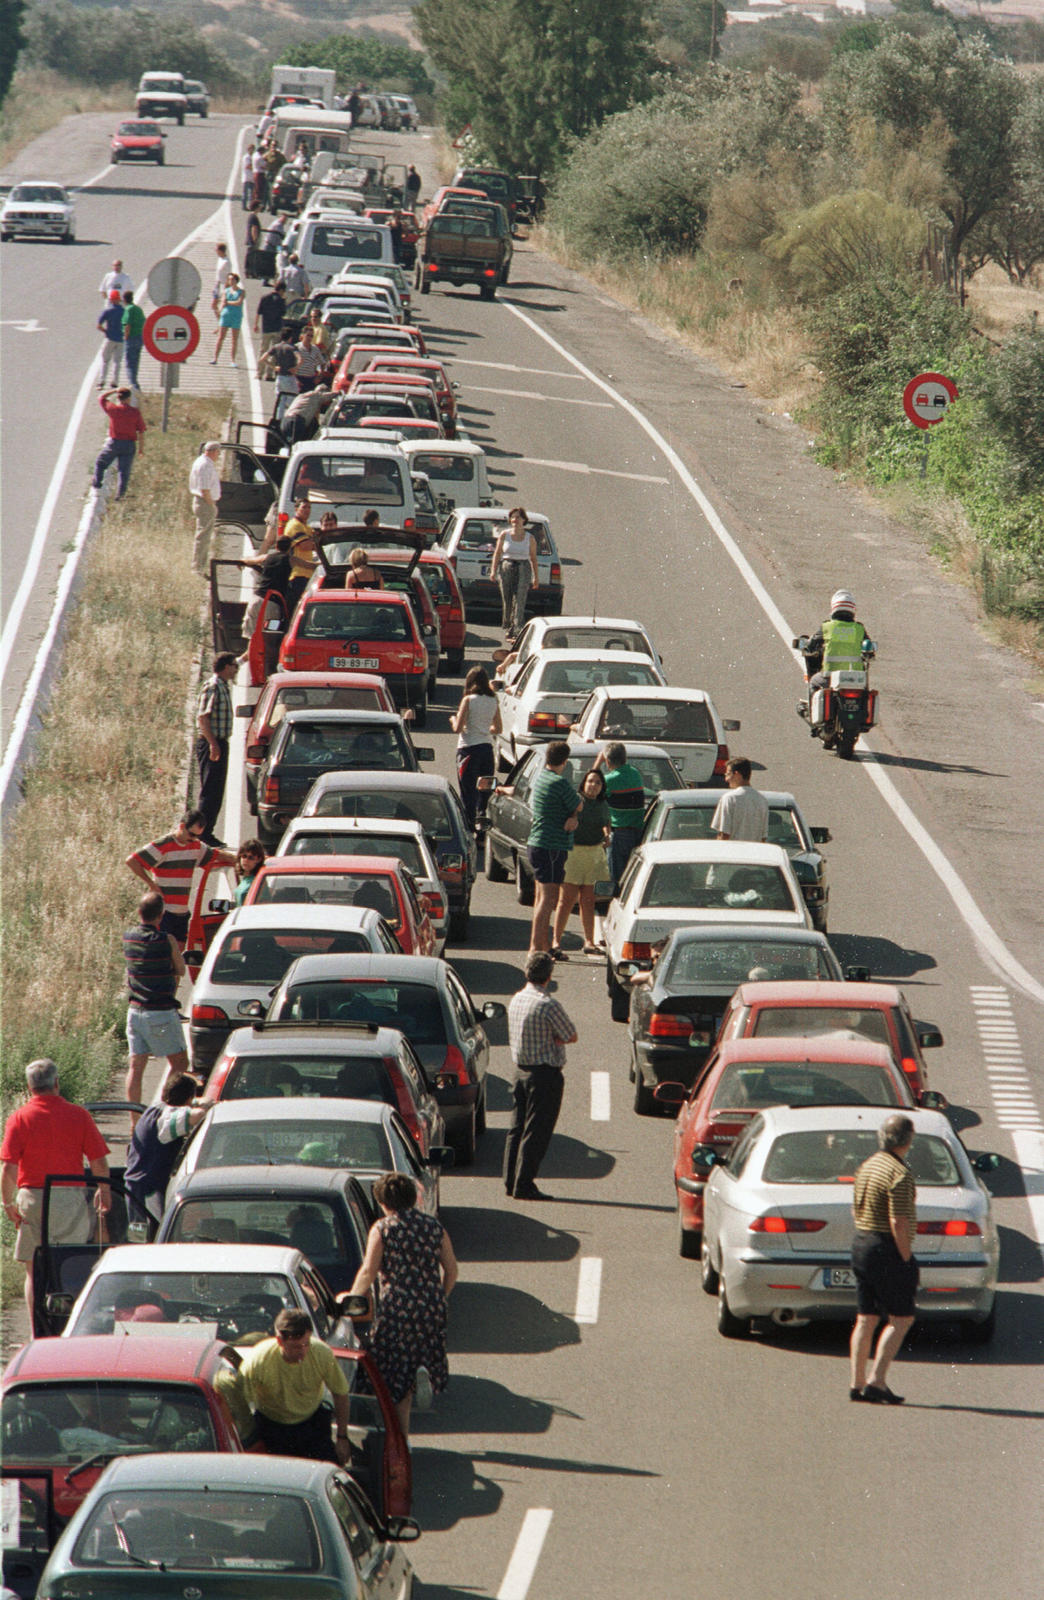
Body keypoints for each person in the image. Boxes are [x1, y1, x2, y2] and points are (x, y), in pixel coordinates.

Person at [1, 1060, 110, 1324]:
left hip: (33, 1199)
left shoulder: (19, 1118)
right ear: (57, 1083)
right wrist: (104, 1191)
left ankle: (37, 1330)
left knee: (34, 1271)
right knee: (71, 1264)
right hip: (69, 1197)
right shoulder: (78, 1115)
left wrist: (8, 1205)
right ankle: (71, 1326)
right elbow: (98, 1162)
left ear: (30, 1088)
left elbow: (8, 1168)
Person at [349, 1173, 457, 1436]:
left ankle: (401, 1438)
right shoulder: (434, 1227)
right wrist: (440, 1297)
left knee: (392, 1376)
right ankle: (423, 1372)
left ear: (383, 1202)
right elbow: (452, 1270)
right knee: (417, 1358)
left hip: (397, 1307)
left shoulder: (383, 1229)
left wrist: (351, 1301)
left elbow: (368, 1271)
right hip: (430, 1305)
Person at [849, 1113, 918, 1404]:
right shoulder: (898, 1174)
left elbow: (855, 1208)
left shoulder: (868, 1166)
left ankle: (857, 1382)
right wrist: (905, 1257)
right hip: (886, 1247)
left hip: (862, 1242)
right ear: (908, 1140)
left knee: (866, 1318)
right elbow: (898, 1222)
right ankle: (877, 1382)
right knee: (902, 1318)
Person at [233, 1308, 352, 1462]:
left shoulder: (321, 1353)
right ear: (280, 1341)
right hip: (272, 1427)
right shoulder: (258, 1361)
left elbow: (341, 1394)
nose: (303, 1351)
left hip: (311, 1424)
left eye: (306, 1344)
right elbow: (239, 1405)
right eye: (296, 1347)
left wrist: (342, 1438)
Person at [504, 951, 577, 1200]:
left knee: (516, 1128)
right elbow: (570, 1034)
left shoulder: (516, 999)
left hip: (520, 1070)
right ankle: (524, 1184)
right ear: (548, 976)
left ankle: (510, 1180)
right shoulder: (547, 1004)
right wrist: (554, 1038)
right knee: (537, 1131)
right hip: (544, 1075)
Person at [126, 809, 234, 947]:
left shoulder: (196, 846)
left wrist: (241, 860)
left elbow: (217, 855)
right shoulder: (163, 845)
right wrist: (151, 884)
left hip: (182, 913)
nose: (194, 839)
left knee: (178, 956)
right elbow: (132, 861)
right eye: (191, 834)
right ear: (182, 826)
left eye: (198, 836)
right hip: (164, 912)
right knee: (164, 954)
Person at [122, 890, 190, 1107]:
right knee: (180, 1063)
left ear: (139, 912)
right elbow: (181, 970)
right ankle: (163, 1108)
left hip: (134, 1011)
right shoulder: (166, 939)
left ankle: (135, 1118)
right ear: (161, 915)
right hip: (160, 1010)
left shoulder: (128, 937)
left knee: (136, 1066)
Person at [526, 740, 581, 956]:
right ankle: (535, 948)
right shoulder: (559, 782)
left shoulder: (542, 778)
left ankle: (542, 945)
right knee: (548, 899)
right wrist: (574, 814)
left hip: (538, 843)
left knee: (541, 898)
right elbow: (578, 804)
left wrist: (572, 816)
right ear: (565, 762)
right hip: (551, 846)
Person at [124, 1073, 205, 1220]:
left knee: (139, 1234)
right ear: (188, 1099)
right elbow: (198, 1114)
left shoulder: (154, 1110)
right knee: (153, 1236)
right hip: (149, 1191)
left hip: (137, 1187)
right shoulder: (169, 1120)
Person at [551, 767, 611, 956]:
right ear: (584, 783)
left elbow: (606, 823)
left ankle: (589, 941)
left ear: (602, 787)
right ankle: (556, 941)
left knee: (588, 900)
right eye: (590, 781)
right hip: (573, 853)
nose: (594, 785)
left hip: (594, 855)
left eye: (598, 782)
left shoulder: (602, 804)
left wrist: (607, 834)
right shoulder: (576, 801)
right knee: (566, 900)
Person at [195, 653, 239, 842]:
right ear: (225, 666)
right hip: (211, 742)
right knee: (210, 791)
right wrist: (213, 744)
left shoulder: (223, 685)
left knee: (217, 791)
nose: (236, 669)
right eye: (234, 666)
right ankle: (200, 834)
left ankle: (207, 832)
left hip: (220, 742)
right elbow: (203, 718)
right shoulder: (213, 686)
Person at [593, 742, 645, 893]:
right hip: (637, 832)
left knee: (616, 882)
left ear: (608, 761)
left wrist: (598, 761)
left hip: (619, 835)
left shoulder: (610, 780)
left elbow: (588, 789)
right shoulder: (635, 773)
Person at [452, 666, 501, 831]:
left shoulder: (468, 700)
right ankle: (482, 833)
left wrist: (453, 719)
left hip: (468, 750)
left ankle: (468, 829)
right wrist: (485, 728)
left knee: (468, 793)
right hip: (487, 750)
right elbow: (498, 728)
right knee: (484, 793)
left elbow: (458, 728)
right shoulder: (493, 700)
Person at [804, 589, 871, 702]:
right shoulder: (859, 628)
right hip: (856, 680)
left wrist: (808, 646)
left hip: (829, 677)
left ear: (834, 607)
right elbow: (869, 647)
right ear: (853, 609)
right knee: (865, 692)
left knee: (813, 682)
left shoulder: (827, 627)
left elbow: (811, 645)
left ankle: (812, 711)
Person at [489, 507, 539, 641]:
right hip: (507, 566)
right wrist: (493, 571)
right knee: (507, 597)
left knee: (520, 598)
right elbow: (498, 553)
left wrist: (536, 578)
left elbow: (533, 558)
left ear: (524, 520)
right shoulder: (504, 535)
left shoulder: (530, 538)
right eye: (513, 517)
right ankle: (508, 626)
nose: (515, 520)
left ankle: (517, 628)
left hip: (523, 567)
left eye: (518, 517)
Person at [91, 386, 145, 500]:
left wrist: (114, 390)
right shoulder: (135, 413)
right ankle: (120, 496)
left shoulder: (113, 409)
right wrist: (141, 449)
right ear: (129, 398)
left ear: (119, 398)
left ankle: (97, 485)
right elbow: (141, 431)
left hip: (115, 443)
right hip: (129, 445)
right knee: (124, 471)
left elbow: (101, 397)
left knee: (101, 462)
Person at [239, 534, 292, 650]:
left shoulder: (266, 557)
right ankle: (264, 663)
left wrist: (242, 561)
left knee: (252, 637)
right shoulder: (290, 559)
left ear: (276, 546)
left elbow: (250, 560)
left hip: (255, 601)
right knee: (270, 637)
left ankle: (244, 660)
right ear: (290, 548)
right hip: (272, 606)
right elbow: (309, 565)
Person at [712, 757, 768, 842]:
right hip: (754, 853)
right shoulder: (762, 800)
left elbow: (724, 834)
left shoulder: (729, 798)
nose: (726, 779)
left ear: (737, 774)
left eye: (727, 774)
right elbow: (763, 838)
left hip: (733, 853)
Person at [189, 440, 222, 577]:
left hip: (202, 502)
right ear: (213, 451)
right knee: (203, 537)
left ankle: (199, 565)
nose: (218, 455)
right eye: (218, 452)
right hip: (205, 503)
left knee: (204, 536)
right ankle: (198, 567)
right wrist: (212, 506)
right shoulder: (205, 466)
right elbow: (204, 489)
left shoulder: (202, 462)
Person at [284, 499, 317, 616]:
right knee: (294, 610)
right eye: (304, 507)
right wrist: (316, 544)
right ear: (296, 509)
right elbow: (306, 545)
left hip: (307, 574)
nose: (307, 510)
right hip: (297, 574)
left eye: (309, 507)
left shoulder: (306, 527)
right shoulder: (295, 525)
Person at [211, 272, 245, 367]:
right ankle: (215, 358)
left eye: (232, 279)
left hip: (236, 316)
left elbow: (239, 302)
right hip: (226, 315)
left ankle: (233, 360)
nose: (230, 281)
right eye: (229, 279)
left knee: (234, 339)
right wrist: (220, 310)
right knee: (220, 337)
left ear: (236, 281)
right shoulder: (226, 291)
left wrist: (228, 303)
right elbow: (223, 302)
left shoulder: (241, 292)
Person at [96, 290, 125, 387]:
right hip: (121, 339)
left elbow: (99, 325)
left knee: (105, 360)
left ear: (111, 300)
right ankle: (115, 382)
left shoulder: (108, 311)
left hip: (110, 338)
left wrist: (106, 331)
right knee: (117, 361)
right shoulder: (124, 311)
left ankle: (102, 380)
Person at [254, 281, 287, 361]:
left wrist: (256, 324)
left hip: (266, 328)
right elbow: (283, 314)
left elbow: (258, 312)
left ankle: (260, 371)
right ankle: (269, 372)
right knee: (275, 352)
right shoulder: (281, 300)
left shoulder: (265, 298)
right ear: (282, 290)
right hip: (277, 328)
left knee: (263, 350)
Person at [121, 291, 145, 389]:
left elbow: (127, 324)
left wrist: (125, 336)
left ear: (124, 300)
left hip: (131, 338)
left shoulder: (128, 309)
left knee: (130, 363)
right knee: (136, 361)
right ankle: (135, 381)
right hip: (140, 337)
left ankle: (133, 385)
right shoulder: (138, 309)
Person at [292, 323, 325, 391]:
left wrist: (320, 376)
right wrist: (294, 378)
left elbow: (322, 363)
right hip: (299, 378)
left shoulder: (315, 349)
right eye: (308, 335)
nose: (310, 338)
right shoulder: (296, 347)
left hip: (310, 379)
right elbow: (290, 365)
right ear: (302, 336)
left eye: (311, 336)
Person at [233, 839, 267, 905]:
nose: (246, 860)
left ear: (258, 860)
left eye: (250, 858)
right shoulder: (246, 879)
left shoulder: (258, 882)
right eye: (244, 856)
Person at [211, 242, 230, 320]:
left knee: (221, 306)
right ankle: (220, 323)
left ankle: (221, 324)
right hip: (217, 284)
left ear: (221, 251)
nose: (215, 251)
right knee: (214, 305)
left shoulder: (227, 262)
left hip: (223, 285)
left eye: (216, 250)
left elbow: (229, 275)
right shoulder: (220, 259)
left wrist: (226, 288)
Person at [244, 204, 263, 276]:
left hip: (250, 240)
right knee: (252, 256)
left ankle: (248, 270)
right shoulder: (254, 217)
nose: (260, 209)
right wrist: (255, 239)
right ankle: (249, 271)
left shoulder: (251, 216)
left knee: (250, 255)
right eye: (259, 207)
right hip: (252, 240)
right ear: (256, 208)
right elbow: (254, 228)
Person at [241, 143, 256, 209]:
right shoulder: (246, 157)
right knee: (245, 193)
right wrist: (255, 167)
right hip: (246, 177)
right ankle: (244, 206)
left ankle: (251, 206)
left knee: (252, 194)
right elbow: (248, 166)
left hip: (252, 178)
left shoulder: (253, 157)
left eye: (253, 149)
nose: (252, 150)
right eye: (250, 149)